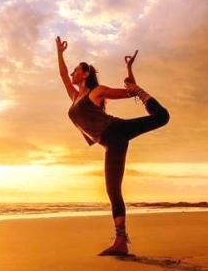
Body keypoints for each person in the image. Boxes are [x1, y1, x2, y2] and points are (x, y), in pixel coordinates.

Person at [56, 36, 170, 256]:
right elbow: (62, 74)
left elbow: (128, 92)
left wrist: (130, 73)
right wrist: (59, 52)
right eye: (72, 72)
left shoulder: (96, 92)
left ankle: (147, 98)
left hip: (116, 131)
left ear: (86, 74)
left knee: (162, 117)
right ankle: (121, 241)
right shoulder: (74, 97)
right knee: (112, 190)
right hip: (110, 143)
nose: (71, 74)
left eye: (76, 71)